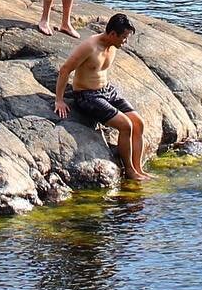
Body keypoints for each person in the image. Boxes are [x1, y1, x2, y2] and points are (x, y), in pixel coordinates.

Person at [53, 14, 148, 181]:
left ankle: (139, 169)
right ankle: (130, 171)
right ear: (113, 34)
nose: (125, 42)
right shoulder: (90, 46)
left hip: (107, 91)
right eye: (124, 38)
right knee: (126, 125)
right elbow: (65, 70)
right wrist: (59, 100)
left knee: (138, 122)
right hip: (86, 95)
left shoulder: (112, 46)